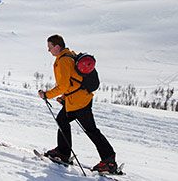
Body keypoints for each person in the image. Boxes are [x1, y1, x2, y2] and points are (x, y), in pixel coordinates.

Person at [38, 34, 118, 173]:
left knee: (91, 130)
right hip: (75, 100)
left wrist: (46, 95)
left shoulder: (63, 60)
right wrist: (64, 97)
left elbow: (63, 85)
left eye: (50, 47)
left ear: (57, 46)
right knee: (62, 120)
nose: (49, 50)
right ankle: (63, 153)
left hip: (79, 103)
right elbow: (73, 82)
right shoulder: (69, 55)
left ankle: (109, 160)